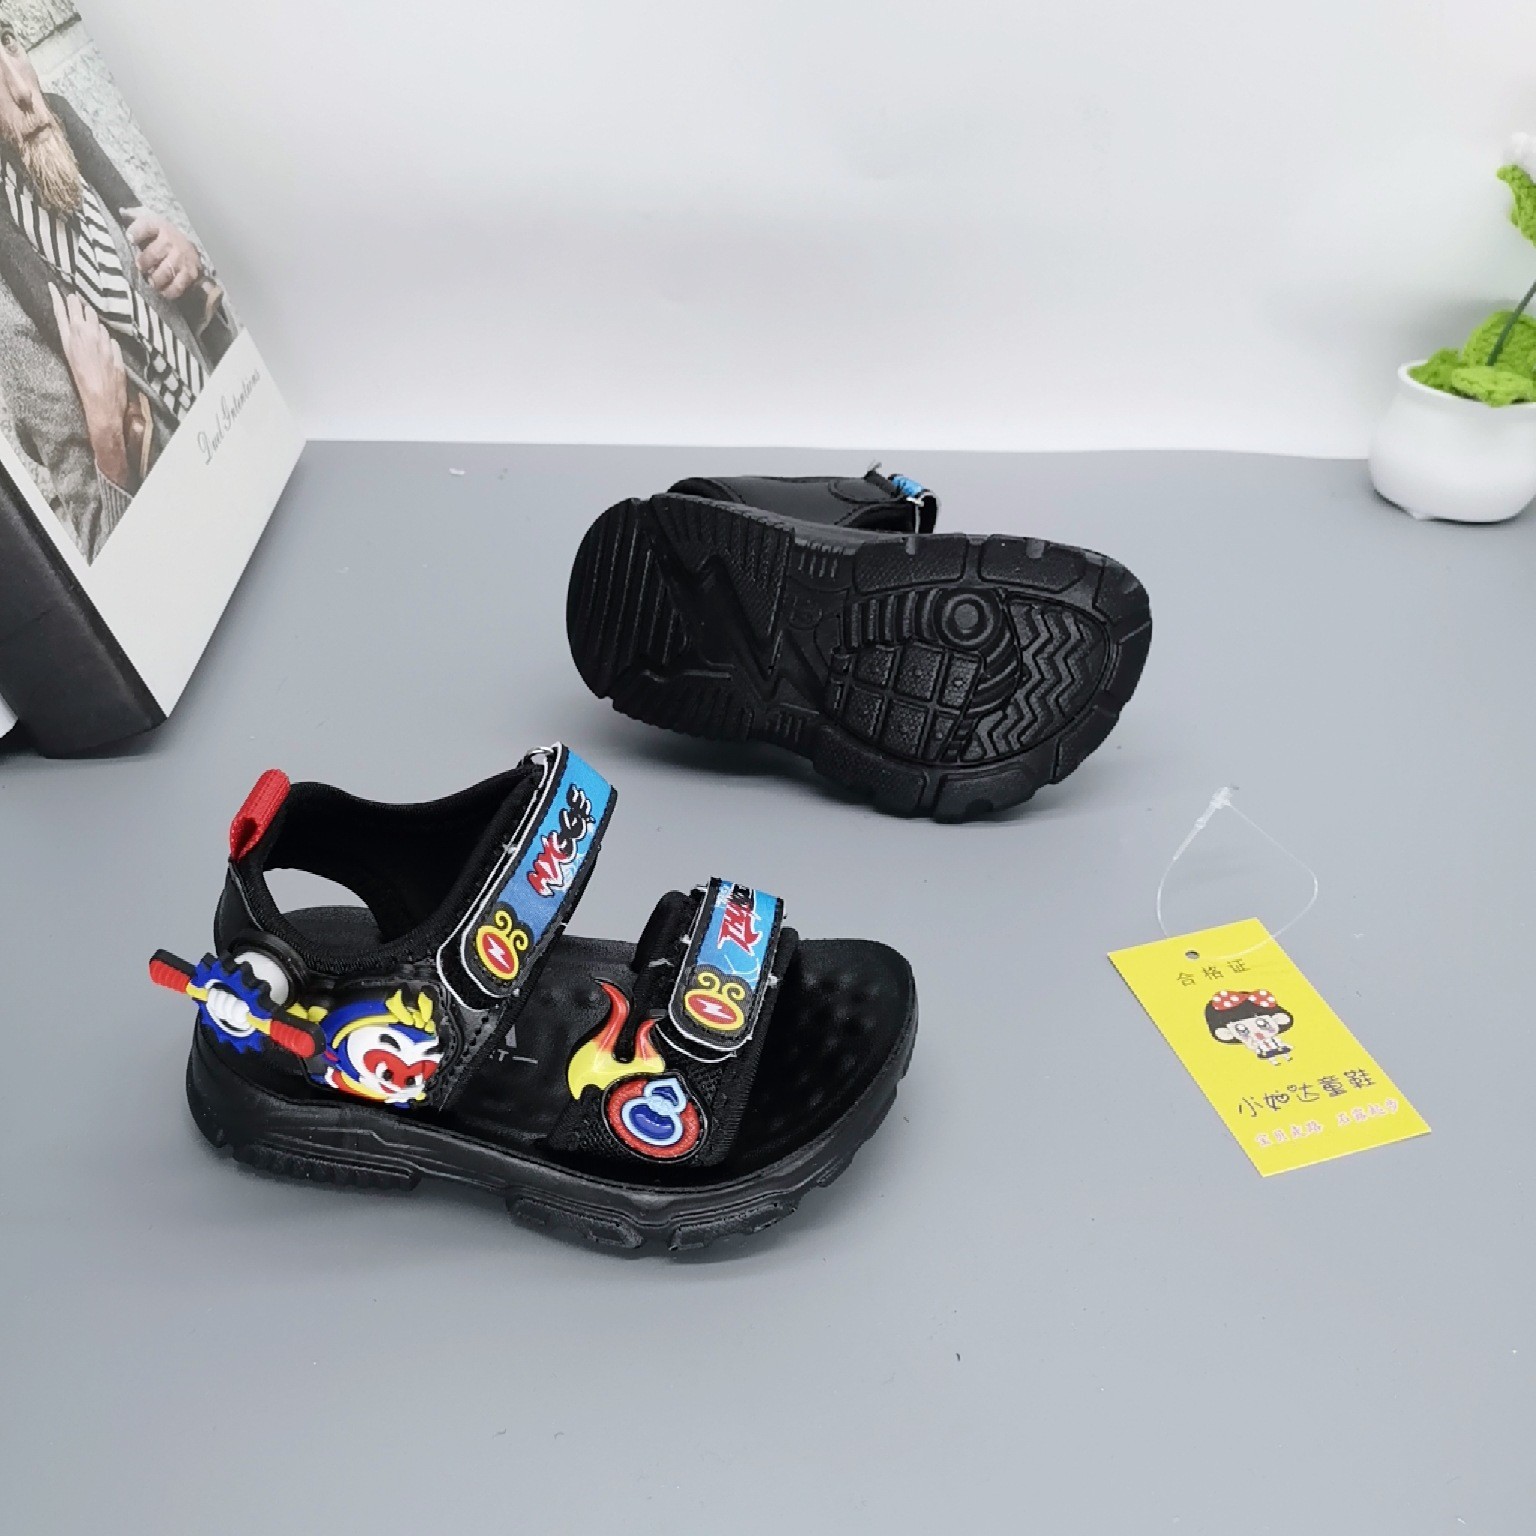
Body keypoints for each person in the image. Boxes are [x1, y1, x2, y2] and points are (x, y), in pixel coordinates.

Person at [0, 19, 236, 562]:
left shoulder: (81, 166)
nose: (21, 88)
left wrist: (192, 270)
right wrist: (106, 435)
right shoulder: (13, 319)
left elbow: (213, 344)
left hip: (244, 445)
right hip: (198, 549)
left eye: (9, 44)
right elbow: (105, 554)